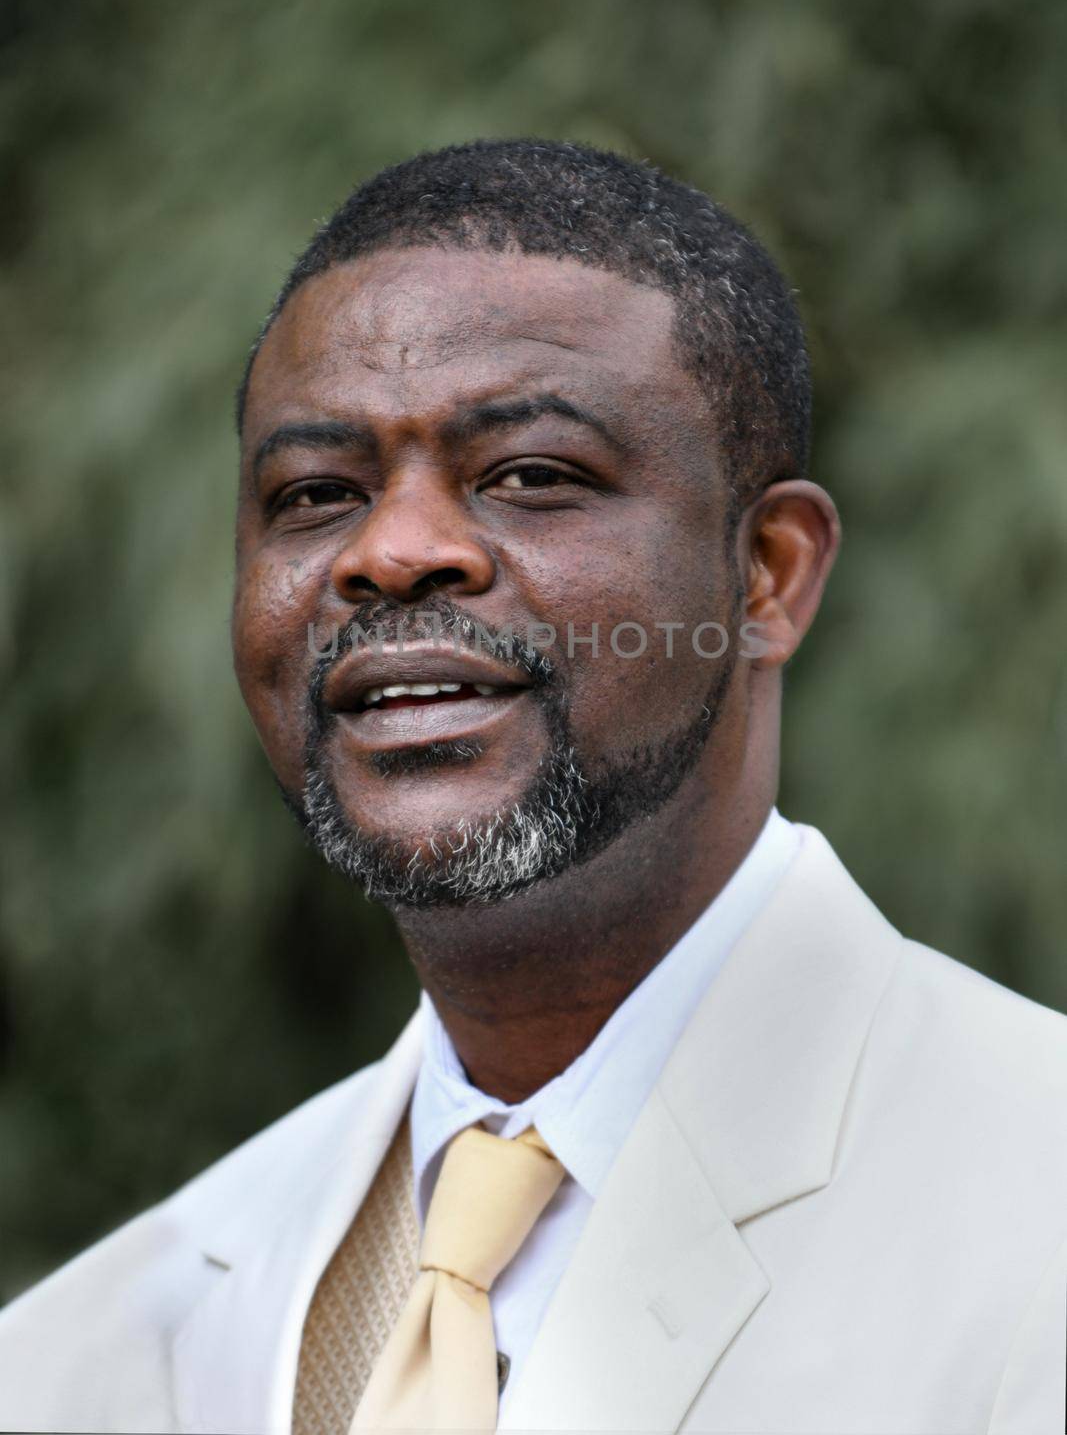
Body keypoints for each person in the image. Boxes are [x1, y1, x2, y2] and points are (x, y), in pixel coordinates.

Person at [0, 139, 1063, 1434]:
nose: (393, 551)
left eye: (531, 476)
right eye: (316, 492)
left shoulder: (1034, 1215)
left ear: (768, 574)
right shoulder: (89, 1359)